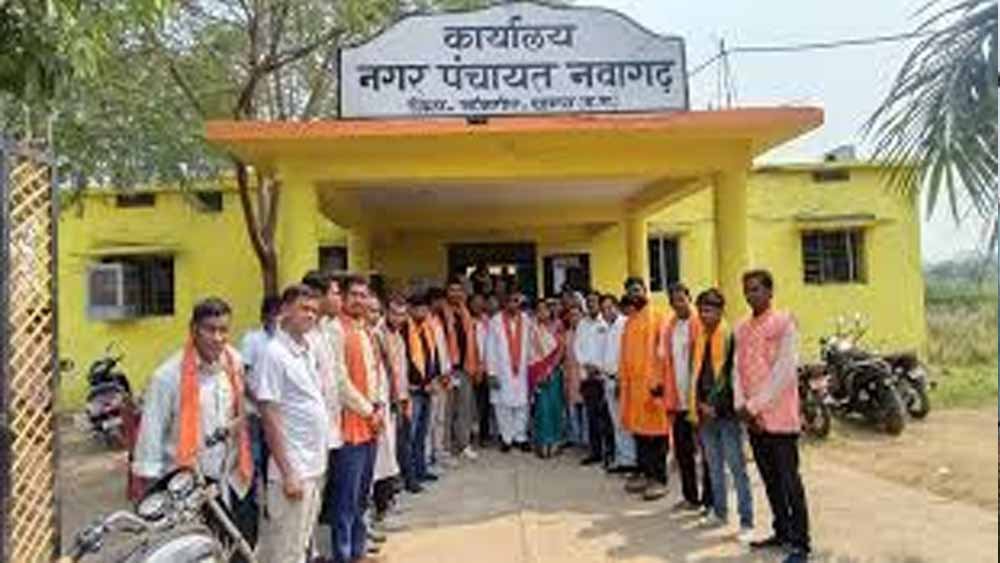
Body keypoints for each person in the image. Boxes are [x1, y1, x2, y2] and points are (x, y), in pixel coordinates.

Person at [133, 298, 256, 560]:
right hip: (190, 488)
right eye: (210, 330)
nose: (218, 338)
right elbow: (150, 442)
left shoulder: (233, 362)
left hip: (233, 479)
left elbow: (241, 408)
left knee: (242, 548)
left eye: (223, 330)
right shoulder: (167, 377)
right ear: (193, 330)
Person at [735, 269, 811, 563]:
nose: (750, 294)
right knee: (770, 480)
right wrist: (742, 406)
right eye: (747, 289)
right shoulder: (742, 328)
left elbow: (783, 373)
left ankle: (801, 544)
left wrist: (753, 406)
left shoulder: (784, 323)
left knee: (790, 482)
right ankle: (782, 531)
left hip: (780, 420)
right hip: (754, 422)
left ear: (769, 292)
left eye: (756, 289)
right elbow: (736, 371)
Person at [255, 285, 329, 563]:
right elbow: (269, 413)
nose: (310, 315)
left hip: (313, 466)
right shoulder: (274, 353)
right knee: (285, 551)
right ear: (285, 310)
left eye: (314, 310)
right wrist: (288, 472)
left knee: (301, 545)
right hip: (292, 469)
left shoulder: (306, 350)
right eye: (304, 308)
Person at [328, 276, 387, 563]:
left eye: (364, 295)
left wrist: (379, 408)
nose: (359, 300)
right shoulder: (335, 330)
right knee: (346, 497)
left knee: (363, 493)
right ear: (343, 297)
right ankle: (343, 554)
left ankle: (358, 551)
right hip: (350, 423)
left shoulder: (365, 330)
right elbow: (340, 383)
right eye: (353, 295)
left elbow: (375, 374)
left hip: (370, 421)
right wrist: (369, 411)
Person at [690, 288, 754, 543]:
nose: (704, 316)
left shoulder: (730, 337)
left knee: (737, 469)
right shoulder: (701, 337)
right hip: (704, 412)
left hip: (726, 414)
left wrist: (718, 407)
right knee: (713, 466)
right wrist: (698, 404)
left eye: (709, 311)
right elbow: (696, 374)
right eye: (701, 311)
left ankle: (747, 521)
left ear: (720, 311)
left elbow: (734, 378)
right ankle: (719, 512)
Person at [618, 277, 670, 502]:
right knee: (639, 434)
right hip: (633, 389)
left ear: (646, 291)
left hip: (653, 388)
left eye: (638, 290)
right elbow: (624, 356)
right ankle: (644, 473)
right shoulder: (630, 321)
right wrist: (622, 383)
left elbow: (664, 354)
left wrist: (659, 384)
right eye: (631, 291)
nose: (635, 294)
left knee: (656, 436)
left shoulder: (658, 318)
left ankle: (659, 479)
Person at [661, 283, 711, 512]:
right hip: (678, 399)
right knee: (683, 452)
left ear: (689, 299)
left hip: (697, 399)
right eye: (674, 301)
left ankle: (710, 500)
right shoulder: (671, 327)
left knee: (707, 451)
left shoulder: (700, 324)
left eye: (681, 299)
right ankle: (690, 497)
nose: (678, 304)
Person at [485, 291, 533, 452]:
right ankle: (506, 438)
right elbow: (490, 348)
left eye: (516, 301)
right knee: (502, 405)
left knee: (522, 404)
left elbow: (532, 344)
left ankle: (521, 437)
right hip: (502, 369)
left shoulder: (526, 320)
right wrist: (491, 372)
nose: (513, 304)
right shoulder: (496, 321)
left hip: (522, 369)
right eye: (510, 301)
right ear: (504, 303)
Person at [404, 293, 442, 491]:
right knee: (409, 436)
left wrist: (434, 378)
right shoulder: (404, 329)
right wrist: (417, 383)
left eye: (425, 309)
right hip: (412, 390)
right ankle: (409, 477)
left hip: (427, 389)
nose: (422, 312)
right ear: (410, 309)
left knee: (421, 433)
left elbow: (433, 356)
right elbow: (404, 362)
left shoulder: (427, 329)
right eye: (418, 308)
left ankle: (421, 469)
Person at [440, 276, 481, 461]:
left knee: (464, 409)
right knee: (447, 410)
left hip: (465, 368)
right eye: (452, 290)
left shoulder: (466, 313)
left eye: (459, 290)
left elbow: (473, 342)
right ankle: (446, 446)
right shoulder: (441, 314)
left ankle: (463, 444)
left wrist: (476, 365)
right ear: (447, 292)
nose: (456, 294)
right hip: (447, 369)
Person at [599, 294, 636, 474]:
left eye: (609, 307)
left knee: (625, 422)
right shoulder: (607, 327)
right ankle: (623, 459)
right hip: (608, 379)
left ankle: (631, 461)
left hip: (620, 380)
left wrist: (621, 379)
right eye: (604, 309)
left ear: (617, 307)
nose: (607, 312)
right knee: (616, 423)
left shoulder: (625, 325)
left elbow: (627, 356)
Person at [575, 290, 611, 466]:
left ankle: (609, 452)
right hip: (588, 377)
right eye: (588, 302)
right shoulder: (582, 324)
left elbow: (609, 348)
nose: (591, 305)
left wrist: (599, 367)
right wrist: (586, 365)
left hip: (603, 376)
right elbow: (577, 347)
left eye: (594, 302)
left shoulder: (606, 323)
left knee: (606, 417)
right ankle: (595, 452)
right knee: (591, 417)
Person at [528, 299, 565, 458]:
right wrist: (539, 371)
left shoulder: (557, 326)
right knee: (541, 408)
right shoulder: (532, 328)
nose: (542, 313)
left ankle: (555, 440)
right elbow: (529, 353)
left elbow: (561, 349)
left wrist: (550, 369)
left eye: (545, 309)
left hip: (553, 373)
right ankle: (542, 441)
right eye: (539, 310)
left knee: (554, 406)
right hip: (537, 373)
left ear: (550, 312)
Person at [426, 287, 456, 470]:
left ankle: (438, 452)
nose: (444, 304)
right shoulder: (425, 322)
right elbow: (430, 353)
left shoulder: (438, 320)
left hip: (443, 375)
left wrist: (447, 372)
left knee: (440, 419)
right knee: (430, 420)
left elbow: (444, 349)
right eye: (441, 301)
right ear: (434, 301)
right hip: (432, 377)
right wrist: (437, 374)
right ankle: (427, 457)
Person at [469, 293, 494, 447]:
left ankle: (484, 434)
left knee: (484, 403)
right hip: (470, 367)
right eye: (475, 302)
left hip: (486, 367)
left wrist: (485, 367)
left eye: (480, 302)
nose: (478, 305)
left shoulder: (488, 321)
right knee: (469, 404)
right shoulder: (467, 320)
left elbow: (490, 346)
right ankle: (470, 434)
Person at [562, 300, 587, 449]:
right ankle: (574, 437)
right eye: (571, 315)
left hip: (584, 375)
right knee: (572, 408)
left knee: (585, 409)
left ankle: (586, 439)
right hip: (571, 375)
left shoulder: (587, 332)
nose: (574, 318)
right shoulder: (567, 334)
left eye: (577, 315)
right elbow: (565, 357)